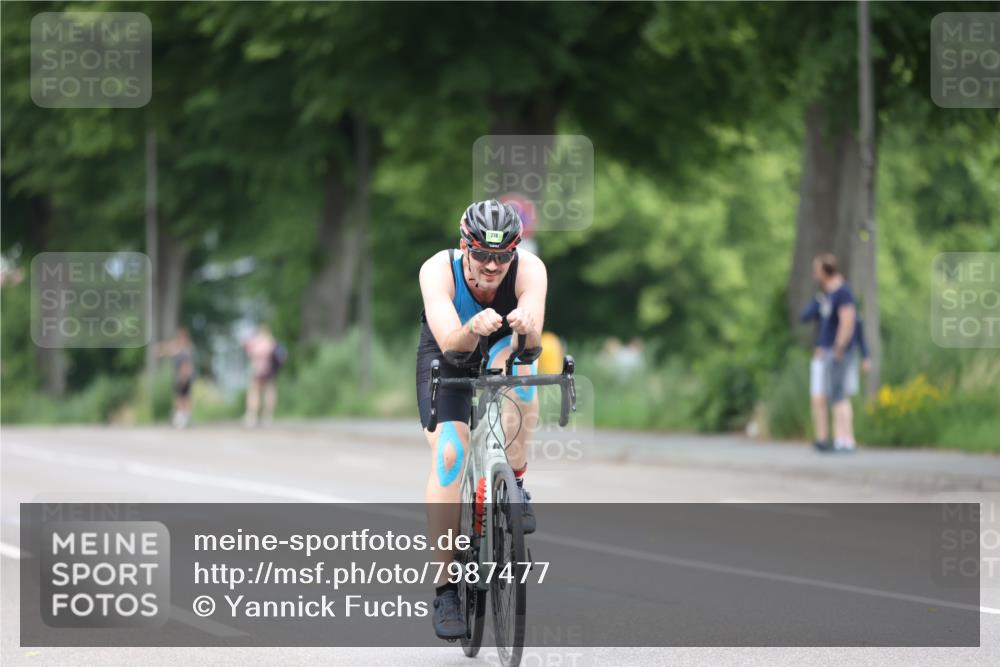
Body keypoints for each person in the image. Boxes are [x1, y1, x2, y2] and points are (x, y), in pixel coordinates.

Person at [416, 199, 547, 640]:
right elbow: (452, 344)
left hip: (501, 348)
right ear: (464, 247)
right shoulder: (437, 269)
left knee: (526, 378)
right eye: (483, 255)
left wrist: (526, 327)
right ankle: (446, 587)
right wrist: (473, 326)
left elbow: (530, 347)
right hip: (448, 351)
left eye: (502, 256)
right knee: (451, 455)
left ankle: (517, 482)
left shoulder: (530, 270)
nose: (493, 266)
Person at [809, 254, 867, 452]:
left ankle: (846, 439)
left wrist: (839, 347)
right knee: (835, 394)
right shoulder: (830, 293)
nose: (815, 274)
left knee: (839, 395)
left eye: (817, 270)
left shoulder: (843, 292)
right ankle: (840, 438)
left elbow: (848, 320)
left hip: (839, 352)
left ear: (825, 271)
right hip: (830, 351)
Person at [157, 327, 195, 428]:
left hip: (183, 377)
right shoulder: (178, 349)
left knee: (183, 398)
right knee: (179, 397)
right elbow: (166, 350)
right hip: (179, 376)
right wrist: (160, 350)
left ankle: (184, 418)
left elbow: (187, 365)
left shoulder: (186, 350)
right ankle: (181, 417)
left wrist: (185, 376)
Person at [243, 324, 280, 426]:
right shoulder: (271, 341)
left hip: (257, 370)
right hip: (270, 371)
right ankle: (267, 415)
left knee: (254, 392)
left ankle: (252, 415)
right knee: (269, 391)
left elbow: (249, 352)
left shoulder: (256, 341)